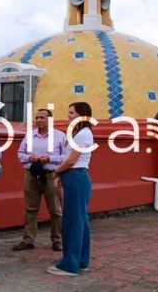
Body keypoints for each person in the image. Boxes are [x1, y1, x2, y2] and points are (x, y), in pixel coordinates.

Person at [46, 102, 94, 276]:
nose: (69, 116)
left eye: (72, 113)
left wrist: (56, 172)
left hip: (76, 178)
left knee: (73, 222)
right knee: (80, 221)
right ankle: (81, 261)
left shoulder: (83, 135)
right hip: (74, 177)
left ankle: (70, 264)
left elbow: (72, 160)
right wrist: (61, 175)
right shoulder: (80, 134)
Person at [13, 108, 66, 252]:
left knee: (55, 209)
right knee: (30, 209)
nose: (38, 120)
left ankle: (57, 240)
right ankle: (28, 240)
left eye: (42, 117)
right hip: (31, 175)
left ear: (50, 120)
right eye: (36, 118)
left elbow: (66, 157)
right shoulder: (29, 136)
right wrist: (30, 158)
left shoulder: (60, 136)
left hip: (51, 175)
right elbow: (20, 153)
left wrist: (50, 158)